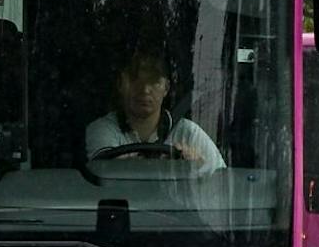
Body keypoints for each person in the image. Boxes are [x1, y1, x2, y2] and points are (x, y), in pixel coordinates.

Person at [85, 44, 225, 174]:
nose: (145, 90)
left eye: (154, 81)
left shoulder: (189, 133)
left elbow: (222, 181)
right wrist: (170, 167)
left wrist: (197, 169)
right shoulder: (102, 130)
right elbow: (103, 172)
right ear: (121, 84)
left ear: (166, 88)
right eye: (135, 80)